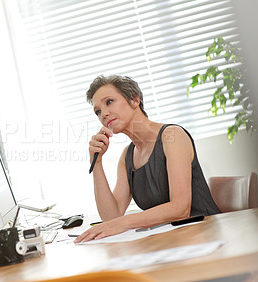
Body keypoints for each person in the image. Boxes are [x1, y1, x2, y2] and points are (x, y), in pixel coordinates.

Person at [75, 75, 221, 243]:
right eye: (98, 112)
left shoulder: (172, 136)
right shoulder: (127, 156)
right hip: (172, 240)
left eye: (109, 102)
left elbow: (181, 208)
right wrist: (97, 163)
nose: (104, 114)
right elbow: (111, 217)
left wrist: (124, 223)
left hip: (205, 235)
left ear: (134, 100)